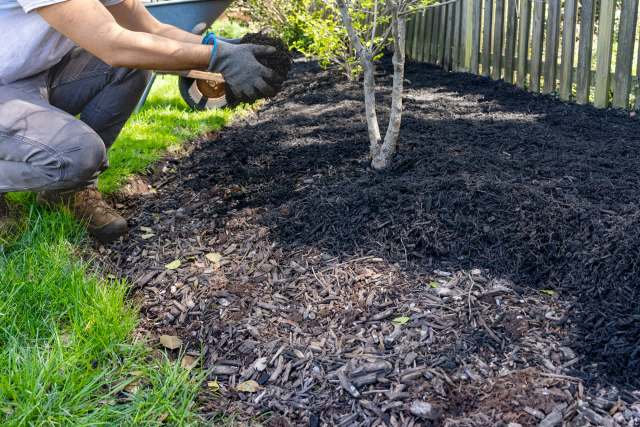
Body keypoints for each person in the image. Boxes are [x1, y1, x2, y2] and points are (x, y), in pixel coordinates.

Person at [0, 0, 282, 242]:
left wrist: (221, 47)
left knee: (132, 67)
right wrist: (215, 59)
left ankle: (66, 191)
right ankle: (63, 172)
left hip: (34, 76)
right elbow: (112, 44)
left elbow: (151, 30)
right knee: (78, 154)